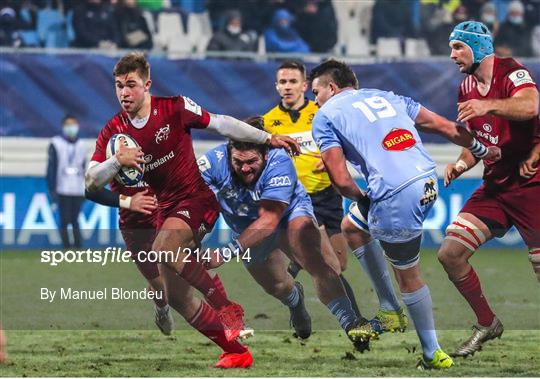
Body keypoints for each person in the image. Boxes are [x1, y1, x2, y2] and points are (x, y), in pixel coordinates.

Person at [85, 52, 299, 368]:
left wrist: (268, 138)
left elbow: (223, 124)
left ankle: (227, 307)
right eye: (119, 86)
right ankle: (237, 352)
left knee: (163, 248)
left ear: (147, 84)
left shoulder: (175, 108)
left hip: (196, 201)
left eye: (131, 85)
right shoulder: (114, 131)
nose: (124, 93)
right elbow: (91, 181)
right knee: (178, 298)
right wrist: (118, 161)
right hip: (165, 213)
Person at [309, 59, 500, 369]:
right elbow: (445, 127)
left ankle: (432, 354)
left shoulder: (325, 116)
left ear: (331, 88)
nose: (313, 99)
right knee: (352, 227)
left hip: (395, 194)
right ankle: (388, 309)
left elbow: (341, 180)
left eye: (315, 92)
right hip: (427, 179)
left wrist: (363, 198)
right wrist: (481, 150)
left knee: (408, 276)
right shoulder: (389, 96)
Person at [200, 116, 371, 351]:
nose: (245, 168)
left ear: (265, 154)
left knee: (312, 256)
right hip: (244, 227)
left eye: (251, 161)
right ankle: (296, 302)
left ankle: (351, 323)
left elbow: (270, 220)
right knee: (277, 287)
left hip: (287, 213)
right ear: (229, 152)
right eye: (238, 162)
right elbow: (197, 205)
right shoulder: (212, 163)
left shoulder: (279, 160)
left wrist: (226, 252)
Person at [263, 60, 399, 327]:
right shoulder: (268, 122)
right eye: (282, 82)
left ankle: (300, 264)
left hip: (328, 195)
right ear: (276, 86)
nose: (287, 87)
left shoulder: (324, 111)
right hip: (298, 200)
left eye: (293, 81)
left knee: (340, 264)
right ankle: (354, 323)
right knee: (330, 268)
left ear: (305, 85)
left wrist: (331, 161)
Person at [440, 21, 539, 358]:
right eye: (451, 47)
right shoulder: (466, 87)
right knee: (450, 253)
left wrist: (489, 104)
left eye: (458, 47)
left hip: (532, 184)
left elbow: (530, 106)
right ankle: (487, 323)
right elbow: (477, 143)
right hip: (496, 186)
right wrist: (461, 164)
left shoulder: (512, 72)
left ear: (478, 47)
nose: (452, 55)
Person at [46, 114, 87, 249]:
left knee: (75, 219)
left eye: (73, 125)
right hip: (62, 187)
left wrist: (85, 188)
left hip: (77, 188)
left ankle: (78, 245)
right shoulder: (56, 143)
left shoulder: (81, 145)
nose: (71, 128)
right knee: (64, 219)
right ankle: (66, 246)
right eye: (68, 125)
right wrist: (52, 189)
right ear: (63, 127)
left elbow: (83, 168)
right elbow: (51, 168)